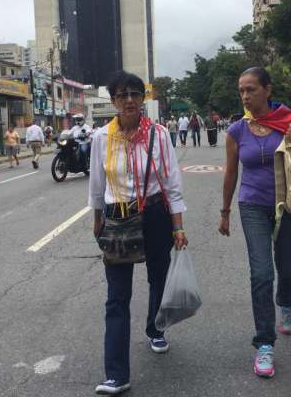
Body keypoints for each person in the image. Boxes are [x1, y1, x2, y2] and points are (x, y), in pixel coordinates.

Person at [88, 71, 188, 395]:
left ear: (142, 98)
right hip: (117, 217)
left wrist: (178, 226)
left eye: (135, 93)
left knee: (158, 276)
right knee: (117, 297)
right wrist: (96, 219)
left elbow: (172, 184)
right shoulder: (102, 138)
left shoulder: (159, 135)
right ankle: (117, 374)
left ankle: (155, 329)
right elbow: (96, 185)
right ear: (114, 101)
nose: (129, 100)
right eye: (122, 94)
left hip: (155, 214)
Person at [219, 67, 291, 379]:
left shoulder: (289, 124)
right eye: (241, 90)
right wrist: (225, 211)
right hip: (252, 205)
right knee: (261, 272)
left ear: (267, 90)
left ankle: (286, 303)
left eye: (251, 89)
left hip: (289, 204)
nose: (245, 96)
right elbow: (231, 172)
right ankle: (264, 344)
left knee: (286, 264)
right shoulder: (237, 131)